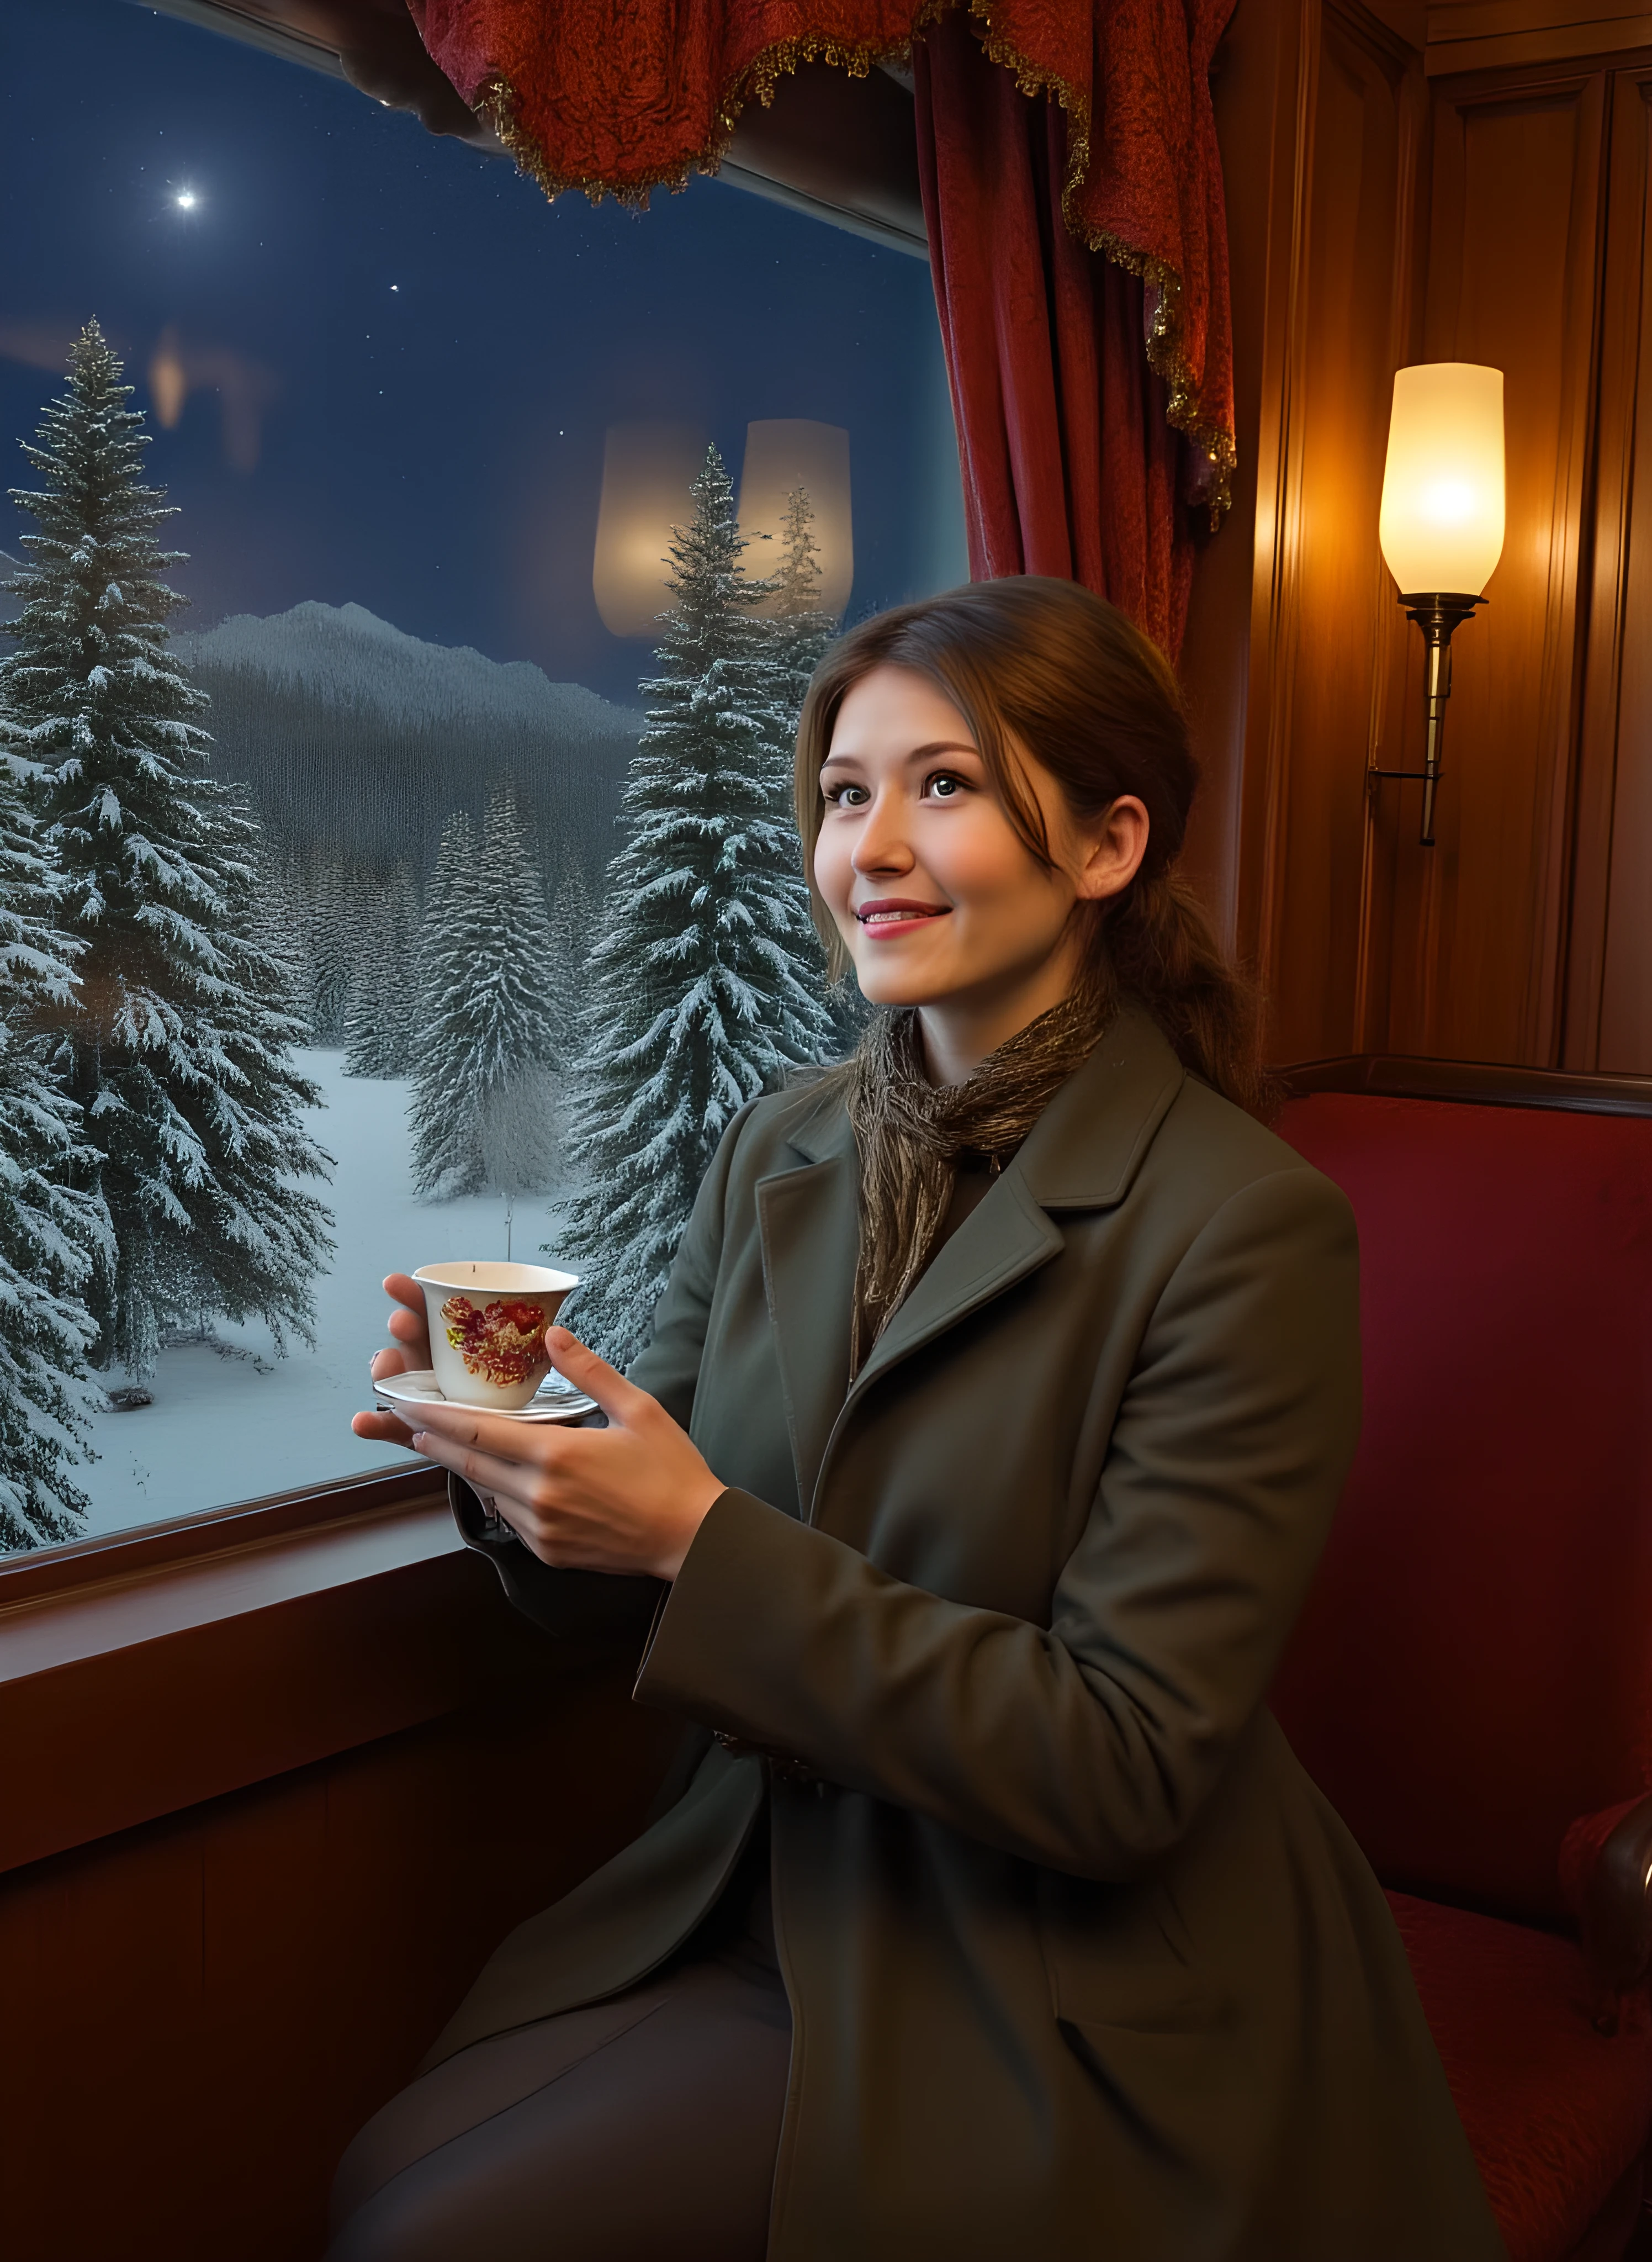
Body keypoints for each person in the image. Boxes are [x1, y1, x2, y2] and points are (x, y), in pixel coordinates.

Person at [329, 577, 1505, 2261]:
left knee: (424, 2235)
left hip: (1056, 1960)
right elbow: (650, 1547)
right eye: (843, 792)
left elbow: (1124, 1768)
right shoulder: (779, 1147)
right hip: (760, 1876)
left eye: (942, 786)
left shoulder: (1247, 1229)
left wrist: (696, 1537)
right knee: (384, 2174)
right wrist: (513, 1466)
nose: (867, 845)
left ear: (1106, 847)